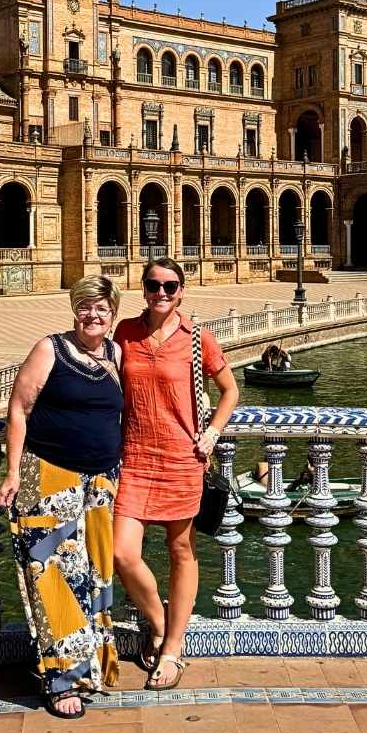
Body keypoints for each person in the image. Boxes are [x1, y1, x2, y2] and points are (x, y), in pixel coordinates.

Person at [0, 275, 123, 719]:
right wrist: (12, 470)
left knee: (96, 572)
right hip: (49, 475)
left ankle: (92, 666)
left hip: (102, 480)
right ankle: (61, 679)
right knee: (51, 573)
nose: (94, 315)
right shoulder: (49, 349)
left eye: (102, 309)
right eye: (86, 307)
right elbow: (19, 407)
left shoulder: (115, 353)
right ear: (74, 310)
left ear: (113, 315)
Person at [113, 258, 240, 690]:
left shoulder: (197, 337)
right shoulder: (125, 332)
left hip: (182, 458)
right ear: (143, 288)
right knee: (122, 552)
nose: (161, 293)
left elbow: (230, 390)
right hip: (134, 457)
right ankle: (161, 622)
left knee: (180, 549)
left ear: (182, 291)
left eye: (170, 286)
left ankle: (172, 649)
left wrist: (213, 434)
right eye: (153, 285)